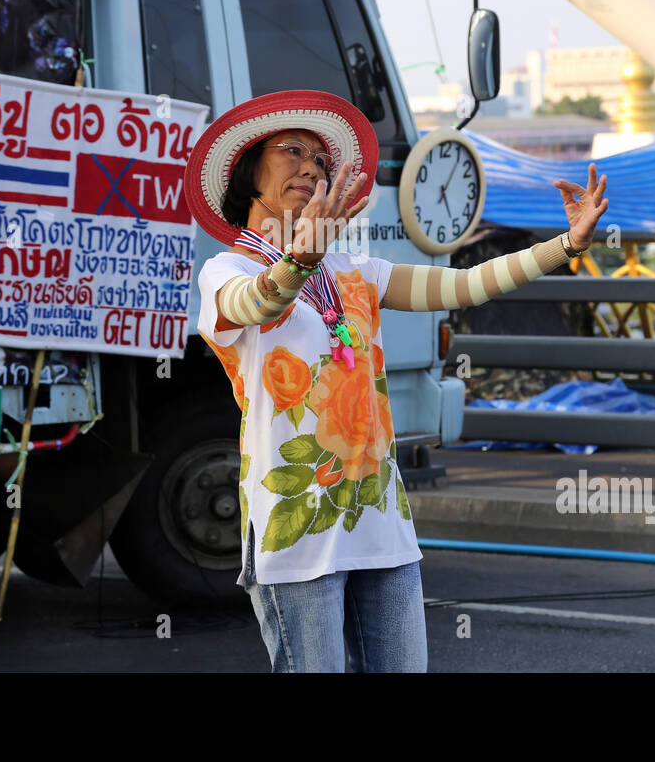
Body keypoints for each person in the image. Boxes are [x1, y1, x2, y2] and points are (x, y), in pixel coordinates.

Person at [186, 90, 610, 673]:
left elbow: (464, 286)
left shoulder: (352, 272)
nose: (310, 167)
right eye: (292, 152)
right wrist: (299, 261)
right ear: (247, 172)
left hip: (381, 525)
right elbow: (256, 303)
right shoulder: (225, 271)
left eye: (320, 161)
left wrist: (564, 246)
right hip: (298, 539)